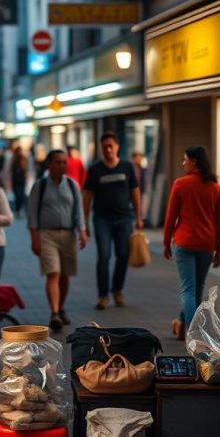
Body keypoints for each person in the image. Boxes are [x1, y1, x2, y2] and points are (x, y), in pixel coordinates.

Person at [163, 146, 220, 340]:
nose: (183, 163)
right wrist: (219, 249)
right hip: (206, 244)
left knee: (188, 291)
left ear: (194, 161)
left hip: (184, 242)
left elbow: (170, 217)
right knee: (196, 290)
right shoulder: (215, 187)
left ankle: (194, 335)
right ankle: (181, 325)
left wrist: (166, 243)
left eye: (185, 159)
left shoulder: (180, 184)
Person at [27, 150, 86, 331]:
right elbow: (32, 215)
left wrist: (82, 232)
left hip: (68, 235)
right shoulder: (40, 186)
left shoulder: (72, 185)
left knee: (65, 275)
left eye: (64, 162)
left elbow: (78, 211)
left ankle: (60, 308)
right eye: (58, 162)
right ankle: (54, 313)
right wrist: (34, 239)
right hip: (47, 235)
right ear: (49, 164)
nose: (62, 165)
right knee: (53, 272)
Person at [83, 132, 143, 310]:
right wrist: (85, 223)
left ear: (117, 147)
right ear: (101, 148)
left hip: (124, 219)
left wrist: (139, 217)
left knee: (123, 256)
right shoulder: (95, 169)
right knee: (104, 256)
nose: (108, 149)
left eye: (111, 145)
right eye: (105, 146)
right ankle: (102, 295)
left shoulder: (127, 167)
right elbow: (87, 196)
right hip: (102, 220)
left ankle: (117, 290)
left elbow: (135, 192)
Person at [11, 146, 29, 217]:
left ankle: (19, 210)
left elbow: (25, 169)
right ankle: (18, 210)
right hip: (15, 180)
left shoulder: (23, 159)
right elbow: (11, 171)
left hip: (22, 180)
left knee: (21, 195)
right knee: (17, 195)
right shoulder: (14, 160)